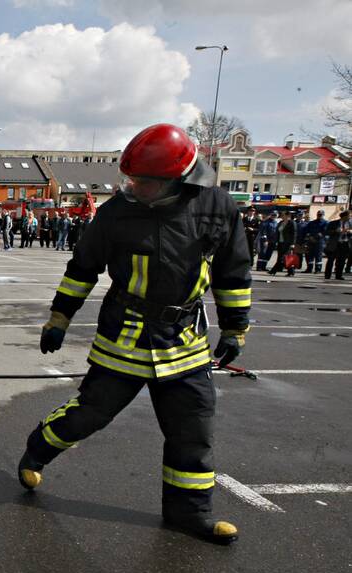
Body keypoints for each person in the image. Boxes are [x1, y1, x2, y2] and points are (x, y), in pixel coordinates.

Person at [17, 123, 250, 545]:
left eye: (141, 181)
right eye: (130, 178)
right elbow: (82, 269)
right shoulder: (115, 212)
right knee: (91, 414)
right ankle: (38, 448)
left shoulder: (216, 207)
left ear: (175, 180)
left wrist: (236, 327)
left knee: (192, 431)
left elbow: (233, 272)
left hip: (184, 344)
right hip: (123, 337)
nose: (132, 186)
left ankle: (190, 513)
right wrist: (59, 319)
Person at [324, 210, 350, 281]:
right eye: (349, 216)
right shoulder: (333, 223)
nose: (350, 217)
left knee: (341, 261)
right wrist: (335, 231)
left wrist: (350, 232)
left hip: (344, 244)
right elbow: (326, 232)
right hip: (335, 244)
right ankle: (327, 275)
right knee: (331, 260)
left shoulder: (350, 224)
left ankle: (339, 275)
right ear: (344, 216)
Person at [303, 210, 328, 274]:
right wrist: (310, 237)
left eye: (321, 215)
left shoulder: (325, 223)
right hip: (311, 241)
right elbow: (307, 231)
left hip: (320, 241)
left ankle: (318, 269)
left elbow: (324, 232)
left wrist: (316, 238)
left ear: (323, 215)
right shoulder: (311, 222)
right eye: (318, 214)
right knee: (310, 255)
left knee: (318, 256)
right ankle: (309, 269)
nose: (319, 216)